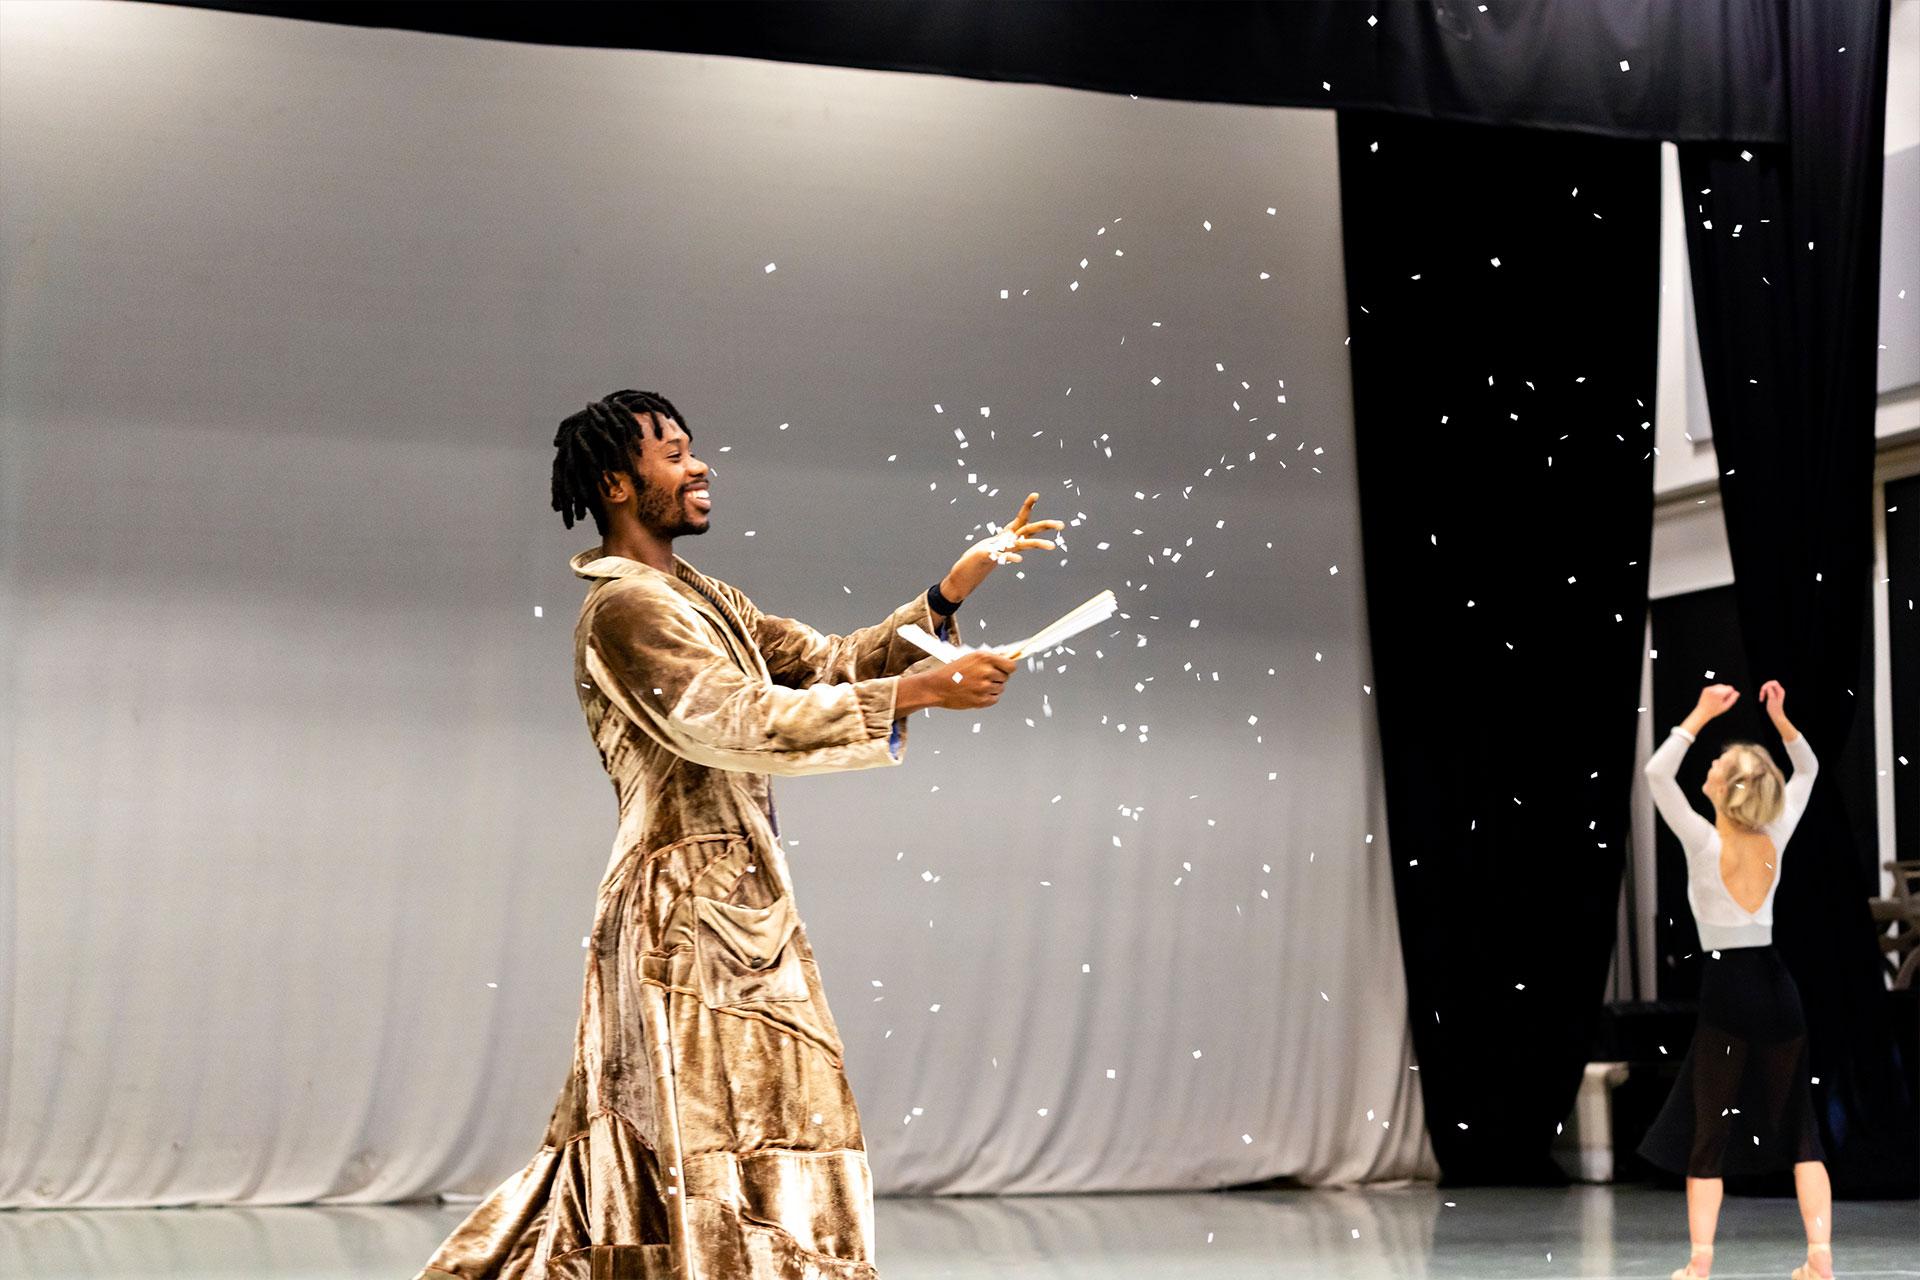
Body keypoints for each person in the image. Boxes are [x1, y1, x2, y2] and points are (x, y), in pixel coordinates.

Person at [415, 389, 1062, 1280]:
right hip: (681, 920)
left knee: (756, 1136)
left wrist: (950, 591)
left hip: (735, 903)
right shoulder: (627, 612)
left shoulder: (705, 598)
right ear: (614, 483)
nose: (700, 465)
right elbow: (735, 719)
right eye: (673, 454)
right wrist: (918, 694)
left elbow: (830, 662)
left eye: (693, 450)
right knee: (720, 1143)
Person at [1637, 680, 1833, 1280]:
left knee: (1709, 1132)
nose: (1710, 764)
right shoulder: (1775, 836)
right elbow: (1808, 767)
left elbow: (1655, 775)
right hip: (1778, 987)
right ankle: (1819, 1260)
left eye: (1718, 764)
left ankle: (1700, 1263)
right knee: (1802, 1131)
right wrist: (1780, 718)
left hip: (1727, 990)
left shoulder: (1702, 841)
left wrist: (1696, 713)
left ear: (1724, 789)